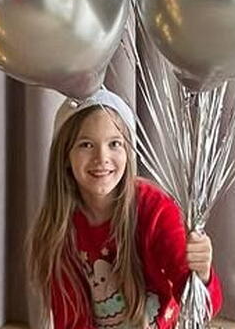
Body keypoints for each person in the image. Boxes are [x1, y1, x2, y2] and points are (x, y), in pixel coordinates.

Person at [27, 88, 223, 329]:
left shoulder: (156, 210)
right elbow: (71, 320)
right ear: (65, 155)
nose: (102, 157)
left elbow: (203, 308)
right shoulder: (59, 229)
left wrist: (201, 274)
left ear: (128, 152)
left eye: (114, 144)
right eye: (86, 144)